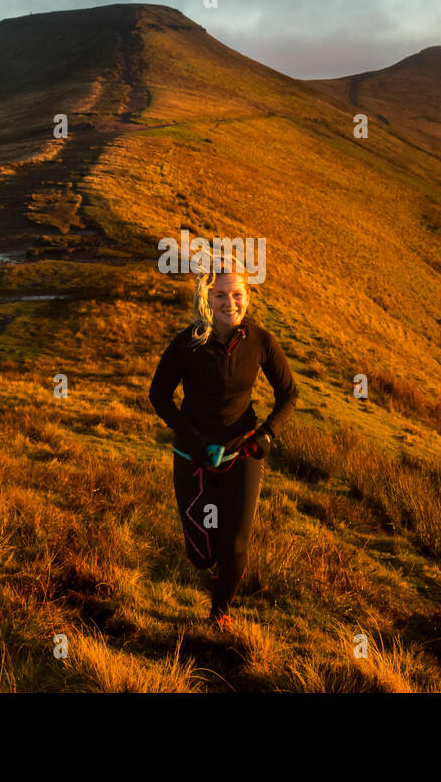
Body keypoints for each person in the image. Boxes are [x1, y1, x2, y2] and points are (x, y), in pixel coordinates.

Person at [148, 253, 299, 628]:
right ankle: (205, 562)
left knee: (236, 546)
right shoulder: (187, 344)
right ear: (206, 297)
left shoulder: (260, 340)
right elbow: (159, 395)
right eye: (220, 295)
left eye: (237, 295)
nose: (230, 303)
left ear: (247, 296)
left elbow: (289, 394)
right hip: (192, 451)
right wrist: (194, 439)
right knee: (202, 554)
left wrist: (265, 435)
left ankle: (219, 613)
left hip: (242, 450)